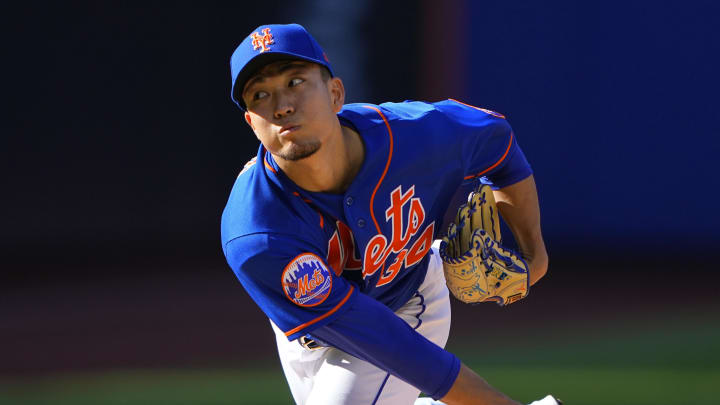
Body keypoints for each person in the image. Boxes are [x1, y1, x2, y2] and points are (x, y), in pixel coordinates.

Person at [221, 23, 556, 405]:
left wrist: (535, 254)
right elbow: (364, 331)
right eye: (260, 95)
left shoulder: (416, 135)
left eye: (296, 82)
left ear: (335, 94)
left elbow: (498, 142)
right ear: (251, 122)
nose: (281, 105)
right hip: (308, 330)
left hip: (406, 299)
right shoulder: (255, 233)